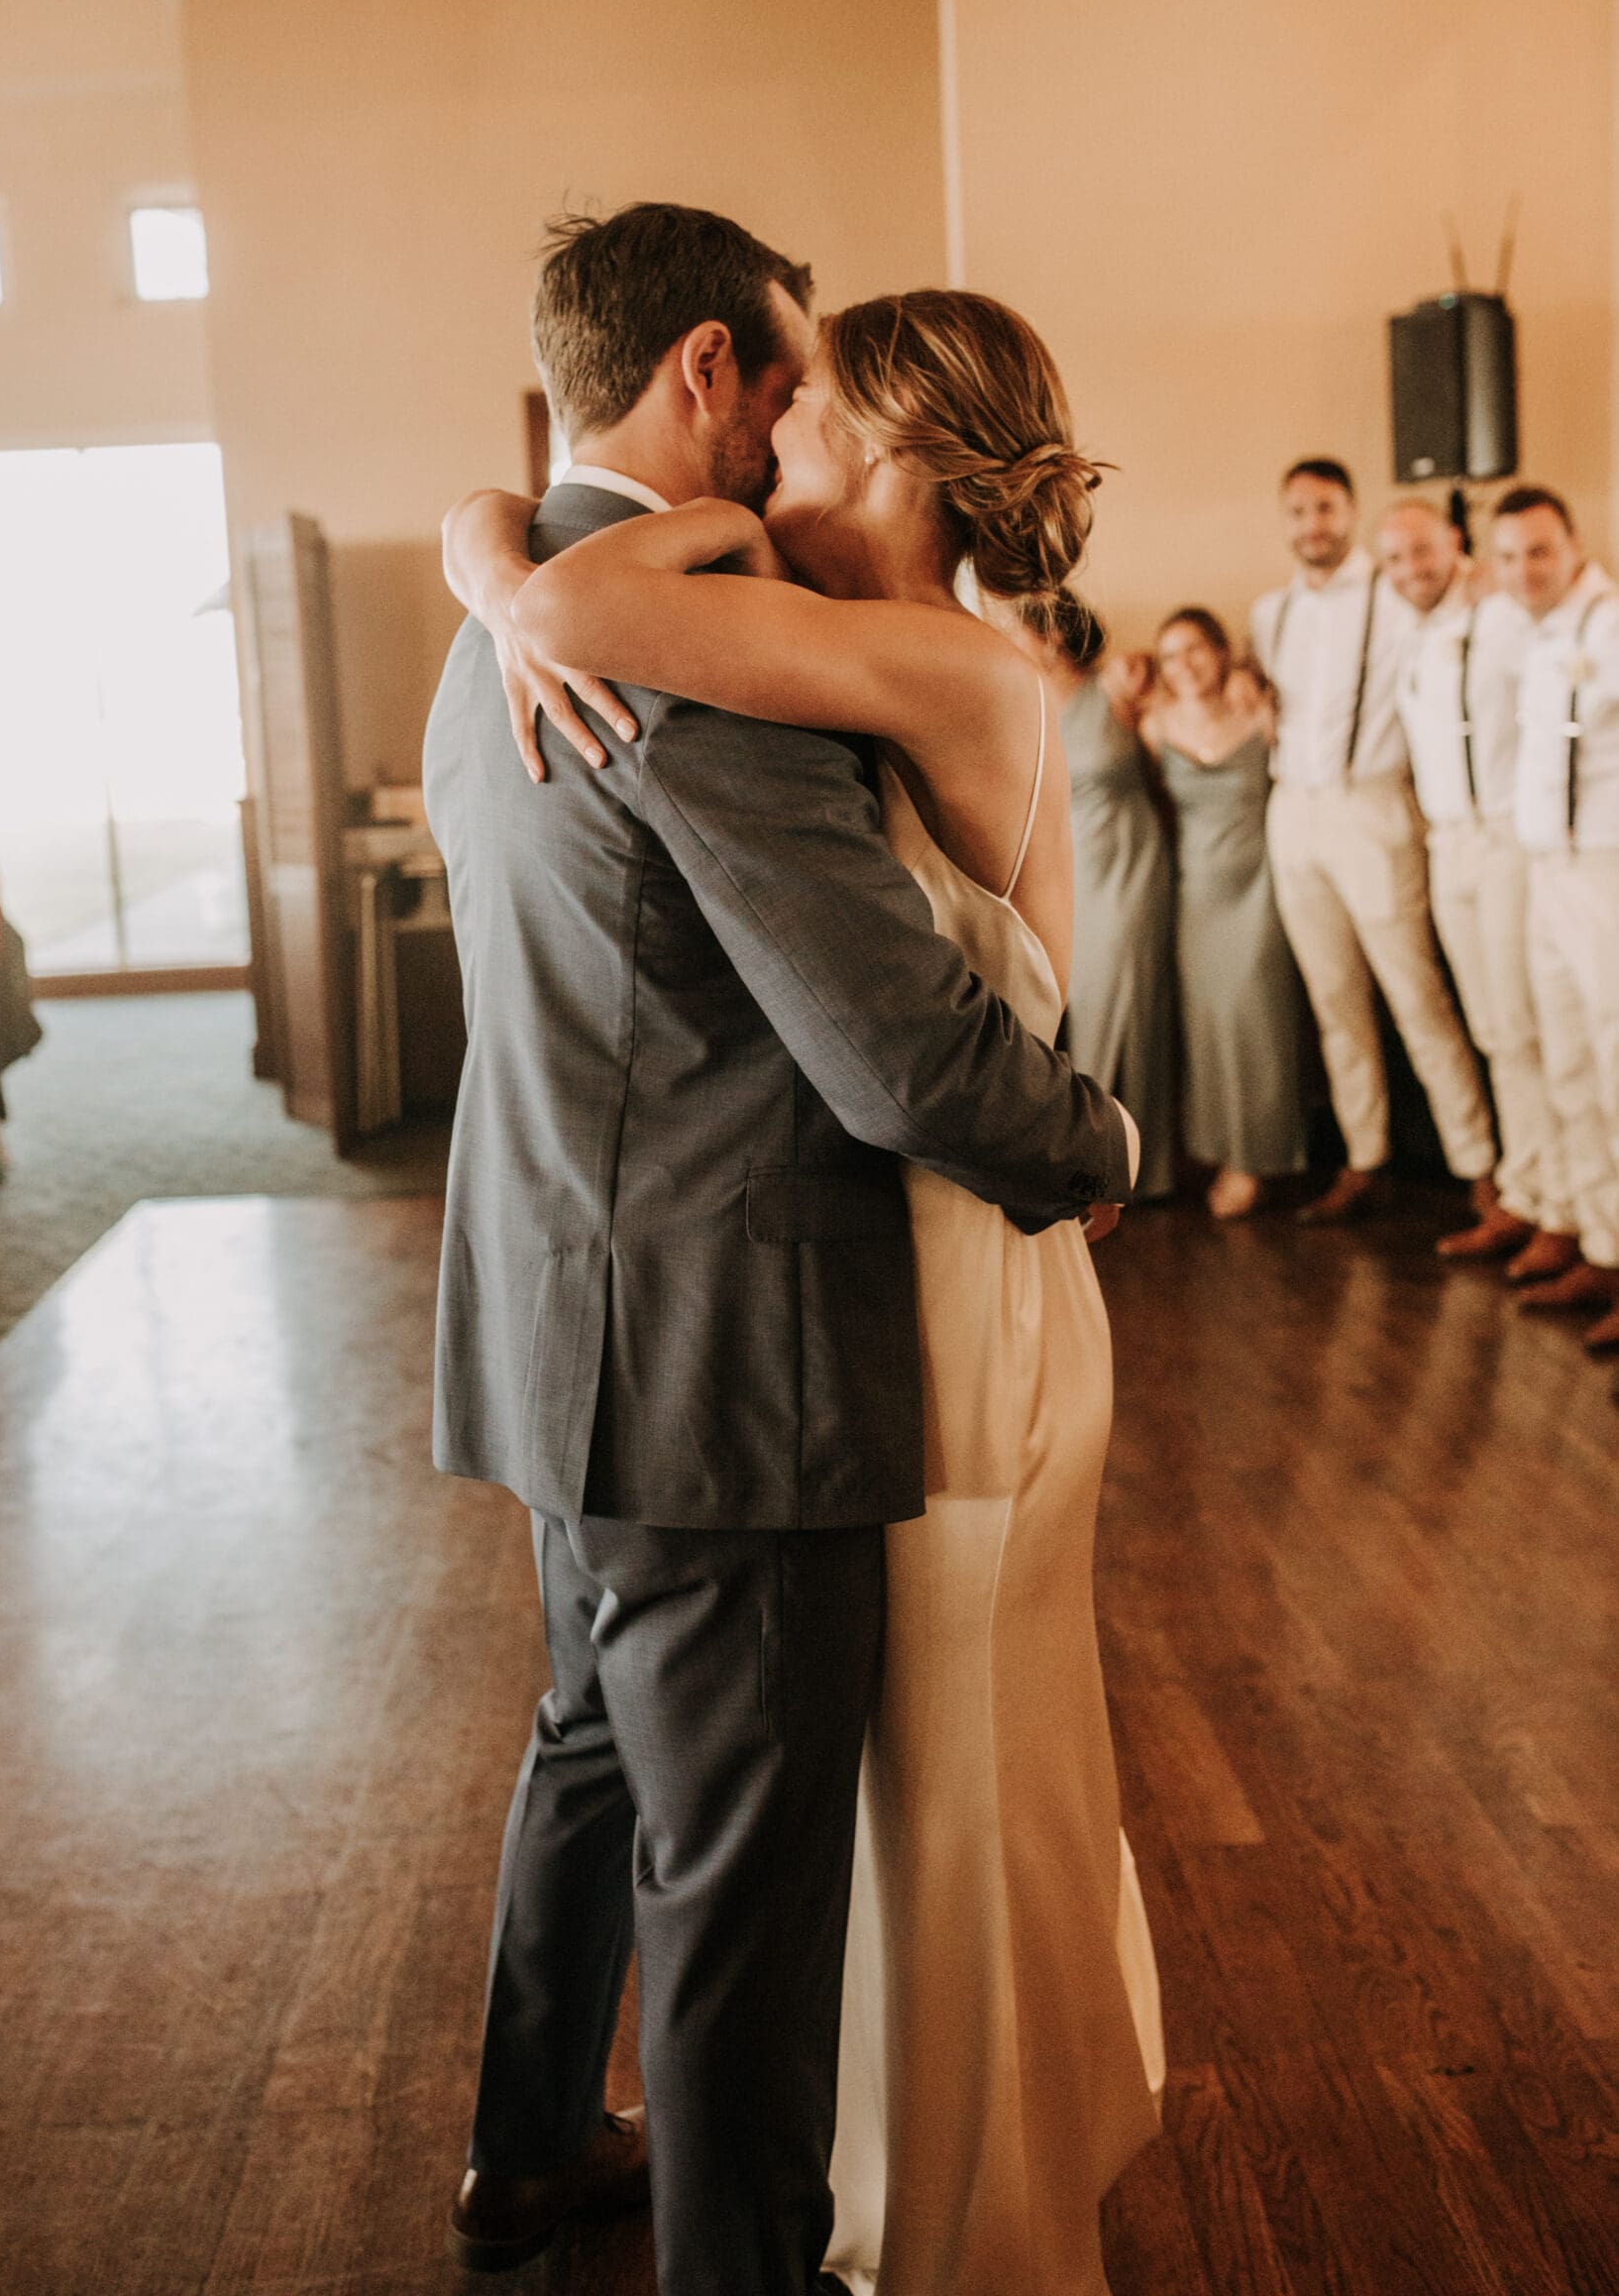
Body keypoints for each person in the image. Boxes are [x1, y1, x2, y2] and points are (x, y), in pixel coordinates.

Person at [427, 209, 1149, 2296]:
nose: (779, 443)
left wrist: (489, 556)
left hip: (587, 1301)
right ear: (716, 371)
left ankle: (539, 2145)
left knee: (627, 1752)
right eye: (783, 384)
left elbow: (534, 561)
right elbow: (893, 1053)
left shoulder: (546, 642)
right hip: (745, 1324)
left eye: (826, 407)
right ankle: (738, 2234)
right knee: (736, 1844)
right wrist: (1103, 1139)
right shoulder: (666, 650)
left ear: (905, 450)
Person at [1249, 458, 1496, 1224]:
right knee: (1333, 1002)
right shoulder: (1271, 613)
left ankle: (1479, 1167)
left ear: (1348, 513)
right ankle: (1363, 1157)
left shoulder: (1395, 590)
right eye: (1297, 511)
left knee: (1416, 995)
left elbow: (1467, 595)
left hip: (1373, 809)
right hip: (1293, 812)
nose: (1311, 525)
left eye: (1324, 508)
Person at [1383, 497, 1571, 1266]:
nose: (1410, 571)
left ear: (1456, 546)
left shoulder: (1502, 617)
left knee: (1524, 1031)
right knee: (1493, 1030)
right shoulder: (1414, 633)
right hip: (1446, 846)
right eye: (1394, 559)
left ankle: (1565, 1211)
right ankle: (1524, 1196)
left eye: (1422, 552)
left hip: (1504, 844)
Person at [1494, 486, 1619, 1352]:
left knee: (1616, 1069)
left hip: (1604, 872)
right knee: (1568, 1063)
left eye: (1538, 551)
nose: (1523, 571)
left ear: (1572, 545)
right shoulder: (1535, 637)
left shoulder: (1609, 624)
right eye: (1506, 556)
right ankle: (1600, 1246)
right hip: (1544, 867)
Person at [1136, 607, 1305, 1217]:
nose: (1184, 666)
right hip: (1195, 895)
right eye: (1170, 655)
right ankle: (1219, 1146)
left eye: (1195, 650)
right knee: (1207, 1025)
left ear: (1220, 650)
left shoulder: (1259, 715)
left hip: (1258, 887)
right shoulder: (1153, 727)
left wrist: (1255, 673)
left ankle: (1256, 1157)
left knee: (1257, 1022)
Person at [1032, 632, 1177, 1202]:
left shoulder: (1113, 687)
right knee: (1086, 1007)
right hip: (1069, 873)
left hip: (1128, 864)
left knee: (1131, 1007)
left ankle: (1139, 1168)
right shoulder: (1026, 698)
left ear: (1050, 636)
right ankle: (1098, 1160)